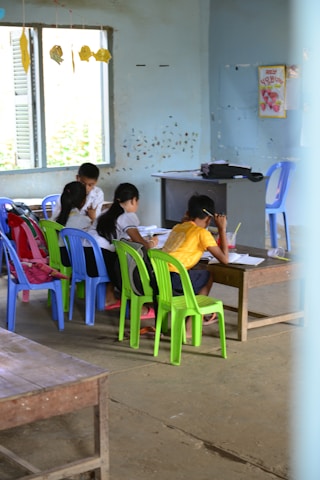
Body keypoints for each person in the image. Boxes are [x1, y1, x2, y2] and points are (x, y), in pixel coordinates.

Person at [162, 194, 229, 337]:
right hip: (175, 280)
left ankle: (190, 315)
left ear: (188, 213)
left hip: (160, 278)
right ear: (209, 218)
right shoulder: (202, 233)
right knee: (208, 276)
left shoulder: (178, 227)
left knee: (197, 273)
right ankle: (190, 326)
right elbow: (225, 259)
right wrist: (222, 230)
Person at [94, 182, 159, 318]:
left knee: (119, 252)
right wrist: (152, 242)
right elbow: (141, 243)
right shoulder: (127, 215)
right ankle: (138, 304)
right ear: (133, 200)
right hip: (102, 259)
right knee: (129, 260)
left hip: (87, 257)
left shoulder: (106, 213)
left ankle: (111, 297)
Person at [55, 180, 119, 307]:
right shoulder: (83, 220)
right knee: (114, 258)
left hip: (62, 257)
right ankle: (110, 296)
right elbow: (97, 236)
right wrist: (93, 218)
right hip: (77, 261)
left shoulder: (58, 218)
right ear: (83, 201)